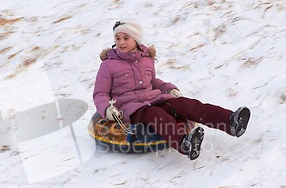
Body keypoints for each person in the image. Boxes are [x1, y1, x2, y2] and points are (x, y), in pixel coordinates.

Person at [92, 19, 251, 160]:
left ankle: (230, 122)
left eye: (126, 38)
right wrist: (106, 109)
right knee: (156, 115)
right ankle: (185, 143)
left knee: (185, 104)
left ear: (136, 40)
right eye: (117, 38)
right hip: (131, 109)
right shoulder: (108, 65)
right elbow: (100, 93)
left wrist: (169, 89)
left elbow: (153, 81)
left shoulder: (146, 60)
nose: (121, 42)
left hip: (153, 99)